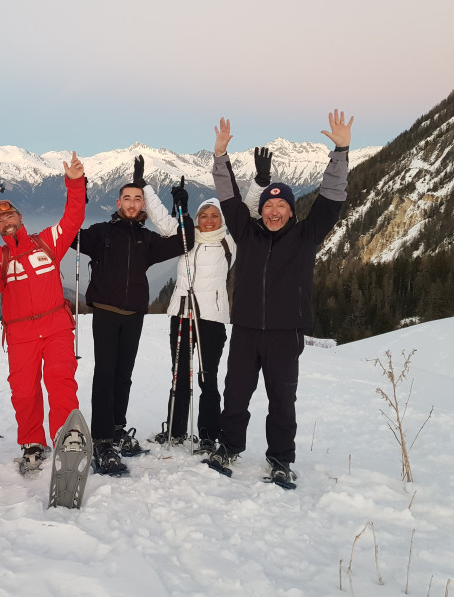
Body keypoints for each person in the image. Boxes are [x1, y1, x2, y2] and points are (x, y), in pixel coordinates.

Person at [205, 110, 353, 486]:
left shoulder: (307, 235)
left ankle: (280, 459)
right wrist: (220, 157)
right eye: (269, 206)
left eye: (281, 206)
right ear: (262, 211)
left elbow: (331, 198)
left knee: (282, 402)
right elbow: (228, 197)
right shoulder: (246, 231)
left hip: (286, 333)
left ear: (291, 210)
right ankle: (229, 447)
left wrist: (340, 150)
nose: (273, 211)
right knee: (235, 395)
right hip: (247, 330)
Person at [0, 152, 85, 474]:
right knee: (24, 390)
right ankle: (32, 442)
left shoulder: (48, 241)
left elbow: (74, 217)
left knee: (60, 381)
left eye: (10, 217)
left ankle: (66, 438)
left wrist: (75, 183)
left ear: (20, 218)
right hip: (20, 333)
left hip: (56, 327)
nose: (5, 223)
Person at [73, 157, 191, 474]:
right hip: (107, 314)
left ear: (143, 206)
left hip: (134, 315)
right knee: (105, 374)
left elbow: (185, 241)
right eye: (128, 197)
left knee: (123, 374)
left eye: (138, 199)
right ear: (118, 202)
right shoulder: (101, 233)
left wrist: (182, 209)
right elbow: (71, 233)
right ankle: (101, 439)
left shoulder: (147, 239)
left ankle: (116, 429)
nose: (132, 202)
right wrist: (76, 196)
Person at [145, 188, 236, 452]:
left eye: (214, 216)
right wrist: (145, 188)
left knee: (208, 377)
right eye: (203, 215)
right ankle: (175, 430)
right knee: (179, 375)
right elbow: (162, 219)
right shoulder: (186, 237)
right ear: (196, 219)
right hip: (182, 314)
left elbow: (249, 211)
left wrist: (261, 183)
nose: (208, 220)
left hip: (211, 318)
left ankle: (208, 434)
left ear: (222, 219)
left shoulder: (230, 242)